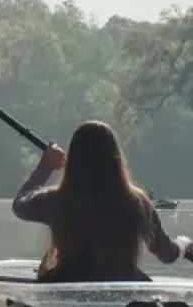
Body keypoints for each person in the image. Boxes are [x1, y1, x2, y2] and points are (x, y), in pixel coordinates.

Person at [12, 120, 191, 282]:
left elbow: (20, 205)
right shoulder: (136, 201)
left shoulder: (57, 200)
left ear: (74, 159)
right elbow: (167, 254)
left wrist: (46, 166)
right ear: (116, 158)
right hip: (124, 289)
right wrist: (184, 245)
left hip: (65, 282)